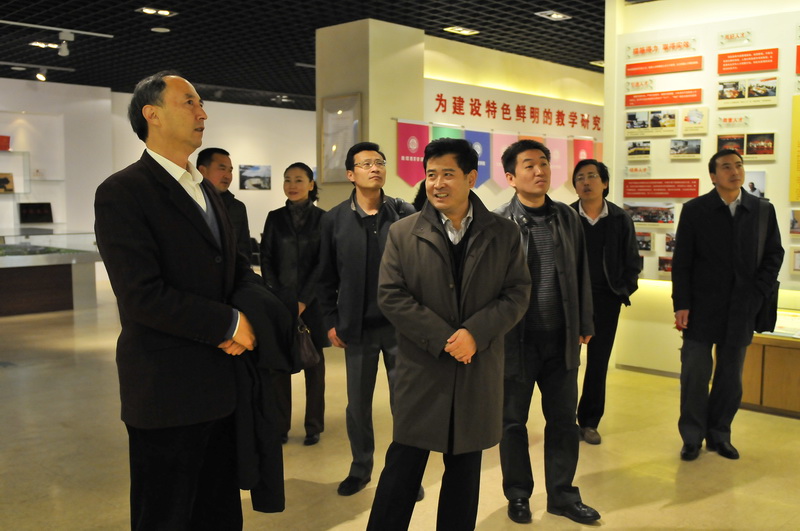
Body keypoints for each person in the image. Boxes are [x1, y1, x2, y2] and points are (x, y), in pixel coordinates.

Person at [94, 71, 261, 530]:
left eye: (200, 103)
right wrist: (228, 324)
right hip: (165, 392)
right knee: (165, 515)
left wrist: (260, 312)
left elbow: (234, 269)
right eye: (189, 102)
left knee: (218, 513)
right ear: (152, 114)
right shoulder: (123, 192)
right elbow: (141, 295)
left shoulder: (206, 190)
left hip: (219, 387)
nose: (202, 113)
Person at [367, 137, 530, 530]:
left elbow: (517, 292)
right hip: (422, 368)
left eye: (448, 174)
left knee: (464, 473)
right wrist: (445, 338)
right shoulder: (403, 232)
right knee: (402, 467)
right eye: (430, 175)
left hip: (476, 368)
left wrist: (475, 333)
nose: (437, 184)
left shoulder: (504, 233)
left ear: (471, 178)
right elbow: (391, 295)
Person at [495, 139, 600, 525]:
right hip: (515, 341)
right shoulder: (499, 222)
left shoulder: (567, 218)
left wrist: (585, 323)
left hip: (561, 338)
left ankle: (562, 495)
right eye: (529, 165)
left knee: (563, 421)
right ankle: (518, 494)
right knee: (512, 423)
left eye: (543, 163)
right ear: (511, 177)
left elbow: (582, 272)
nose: (539, 171)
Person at [317, 141, 416, 496]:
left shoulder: (404, 213)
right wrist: (330, 320)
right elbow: (325, 276)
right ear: (350, 174)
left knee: (404, 404)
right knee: (358, 406)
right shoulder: (334, 220)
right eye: (366, 164)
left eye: (379, 162)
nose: (375, 168)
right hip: (356, 329)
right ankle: (361, 468)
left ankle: (404, 474)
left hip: (399, 328)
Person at [672, 149, 783, 461]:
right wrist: (681, 303)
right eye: (726, 167)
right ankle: (692, 437)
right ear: (713, 175)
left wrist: (758, 293)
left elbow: (774, 254)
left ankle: (720, 435)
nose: (734, 172)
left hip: (743, 306)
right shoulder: (695, 210)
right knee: (694, 375)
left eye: (738, 165)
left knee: (730, 377)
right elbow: (682, 261)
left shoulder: (761, 209)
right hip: (701, 306)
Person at [570, 159, 641, 445]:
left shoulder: (620, 219)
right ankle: (565, 421)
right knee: (567, 364)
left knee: (598, 364)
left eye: (592, 176)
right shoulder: (565, 216)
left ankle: (589, 422)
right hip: (571, 302)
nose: (586, 182)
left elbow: (632, 259)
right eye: (580, 178)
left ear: (605, 183)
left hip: (606, 300)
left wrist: (622, 290)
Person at [260, 162, 328, 446]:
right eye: (287, 180)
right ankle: (280, 426)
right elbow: (266, 258)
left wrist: (303, 300)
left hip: (313, 304)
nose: (292, 185)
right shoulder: (275, 218)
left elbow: (323, 263)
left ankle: (313, 426)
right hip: (280, 303)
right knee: (279, 366)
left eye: (299, 180)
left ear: (311, 184)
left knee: (315, 366)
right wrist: (278, 296)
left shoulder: (323, 219)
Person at [197, 147, 252, 263]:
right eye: (222, 169)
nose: (228, 176)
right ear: (202, 171)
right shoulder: (189, 202)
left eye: (230, 171)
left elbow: (243, 250)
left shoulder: (237, 208)